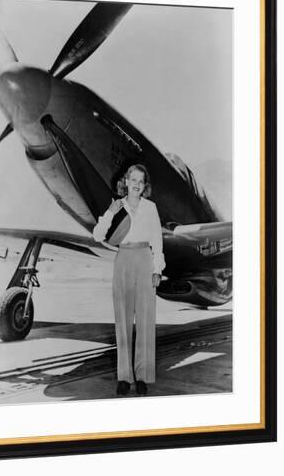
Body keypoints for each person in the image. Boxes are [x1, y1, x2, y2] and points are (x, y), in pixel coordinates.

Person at [93, 164, 165, 396]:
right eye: (132, 180)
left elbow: (157, 241)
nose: (135, 184)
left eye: (140, 181)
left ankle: (143, 376)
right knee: (122, 321)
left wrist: (157, 269)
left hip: (144, 259)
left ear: (145, 186)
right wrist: (110, 213)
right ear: (126, 181)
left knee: (145, 320)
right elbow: (97, 235)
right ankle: (124, 377)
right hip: (123, 258)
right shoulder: (117, 207)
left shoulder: (151, 208)